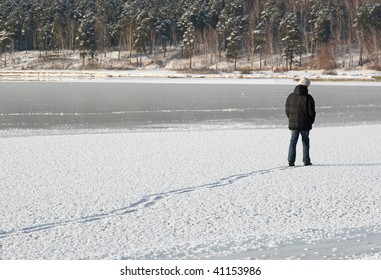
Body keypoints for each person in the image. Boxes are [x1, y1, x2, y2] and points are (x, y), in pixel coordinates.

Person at [285, 77, 316, 166]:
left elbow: (287, 110)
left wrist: (291, 119)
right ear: (307, 86)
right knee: (305, 141)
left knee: (293, 141)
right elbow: (311, 112)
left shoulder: (290, 96)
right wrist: (311, 121)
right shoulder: (308, 97)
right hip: (305, 123)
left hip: (293, 123)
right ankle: (306, 161)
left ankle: (291, 161)